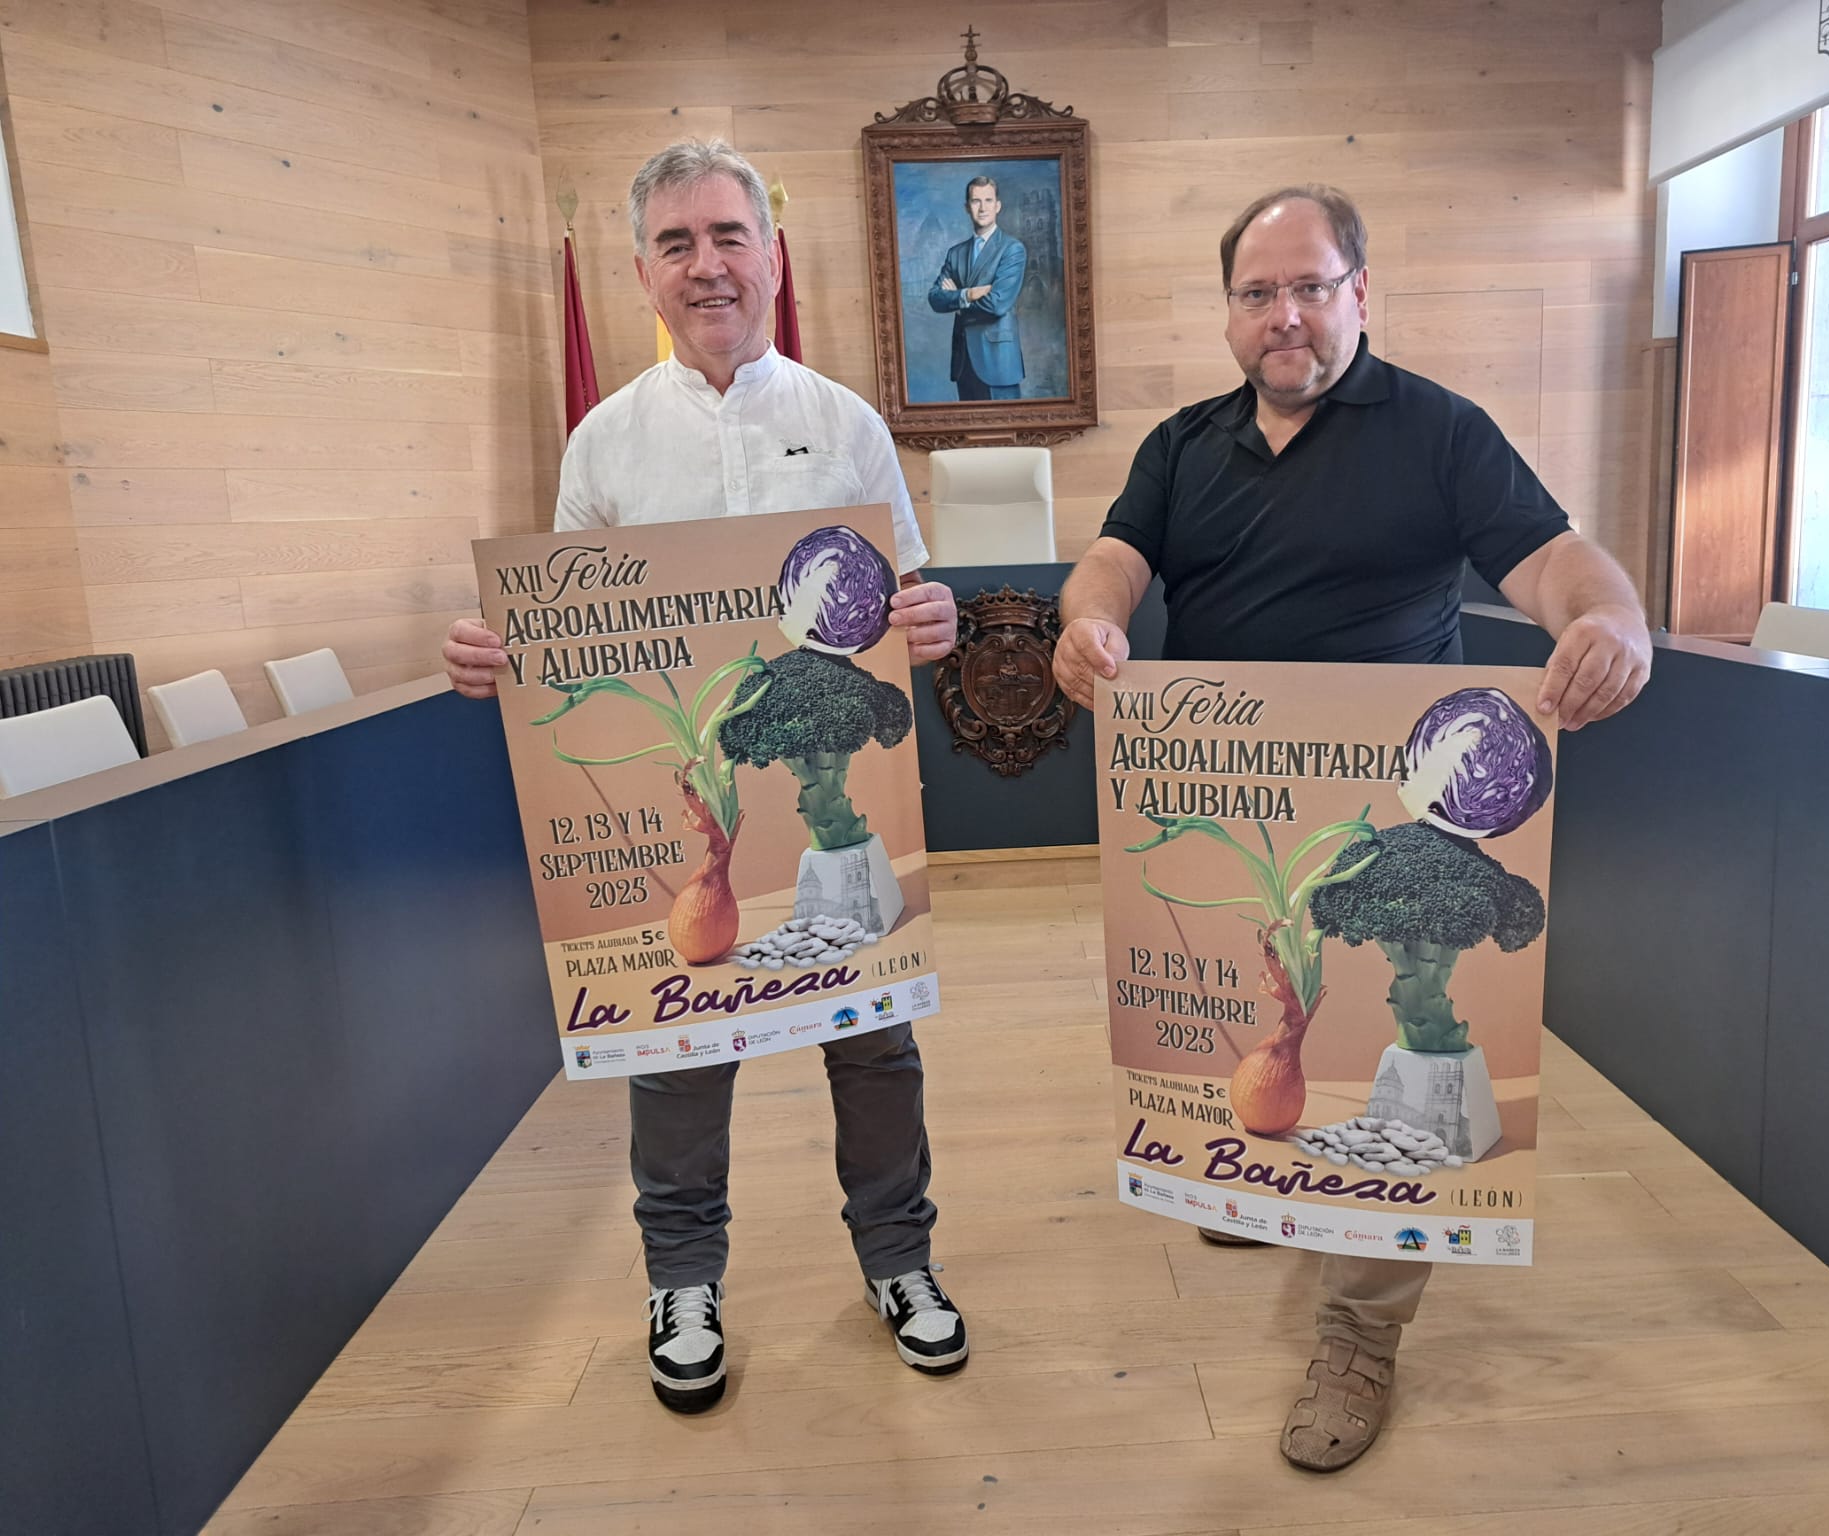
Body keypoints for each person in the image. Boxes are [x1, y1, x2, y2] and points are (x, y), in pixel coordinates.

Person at [1053, 185, 1652, 1473]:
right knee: (1264, 1027)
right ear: (1228, 312)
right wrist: (1085, 618)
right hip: (1226, 803)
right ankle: (1256, 1187)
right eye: (1258, 293)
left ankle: (1358, 1331)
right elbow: (1112, 557)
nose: (1285, 316)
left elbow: (1553, 563)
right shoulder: (1180, 444)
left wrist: (1611, 621)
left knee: (1409, 1043)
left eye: (1310, 287)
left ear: (1358, 296)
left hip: (1395, 818)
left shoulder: (1441, 432)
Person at [442, 140, 968, 1416]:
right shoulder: (604, 443)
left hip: (836, 797)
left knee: (873, 1040)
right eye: (677, 244)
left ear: (771, 257)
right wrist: (500, 656)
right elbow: (567, 635)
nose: (708, 264)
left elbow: (898, 597)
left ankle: (898, 1260)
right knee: (676, 1042)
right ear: (640, 273)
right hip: (694, 814)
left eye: (729, 235)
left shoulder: (845, 423)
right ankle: (683, 1277)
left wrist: (928, 617)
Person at [926, 174, 1027, 401]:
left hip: (998, 363)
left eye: (988, 200)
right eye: (976, 201)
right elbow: (935, 298)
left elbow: (997, 304)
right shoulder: (956, 253)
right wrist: (968, 294)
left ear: (998, 206)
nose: (982, 208)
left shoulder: (1012, 249)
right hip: (964, 363)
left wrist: (958, 302)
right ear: (966, 207)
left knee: (1006, 433)